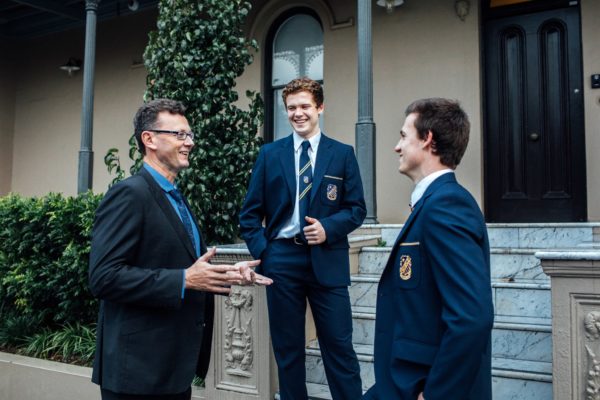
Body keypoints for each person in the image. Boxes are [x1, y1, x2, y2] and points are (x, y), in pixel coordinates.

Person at [88, 98, 271, 400]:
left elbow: (184, 265)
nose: (189, 143)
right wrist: (182, 280)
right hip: (137, 372)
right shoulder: (129, 194)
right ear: (149, 139)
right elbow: (104, 276)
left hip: (174, 368)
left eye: (190, 135)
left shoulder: (176, 197)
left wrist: (225, 273)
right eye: (179, 135)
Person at [239, 77, 366, 400]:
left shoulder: (342, 154)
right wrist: (265, 254)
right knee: (288, 350)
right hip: (281, 260)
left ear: (320, 107)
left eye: (305, 106)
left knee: (339, 347)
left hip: (328, 259)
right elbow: (249, 215)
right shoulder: (270, 155)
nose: (298, 113)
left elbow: (356, 209)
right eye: (292, 107)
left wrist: (328, 228)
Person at [363, 98, 494, 399]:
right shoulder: (433, 203)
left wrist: (435, 394)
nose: (397, 147)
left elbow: (471, 317)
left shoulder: (447, 205)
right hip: (401, 379)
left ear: (428, 140)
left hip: (423, 384)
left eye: (404, 136)